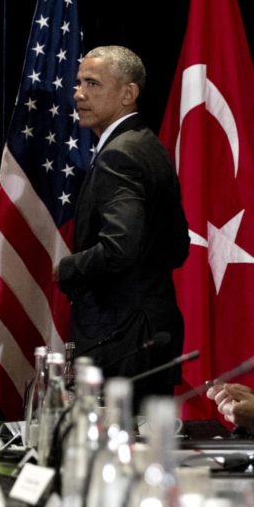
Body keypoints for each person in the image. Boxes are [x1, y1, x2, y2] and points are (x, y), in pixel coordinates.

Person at [57, 45, 189, 400]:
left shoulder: (120, 154)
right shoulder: (149, 146)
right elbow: (178, 248)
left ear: (128, 94)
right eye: (78, 83)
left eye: (93, 84)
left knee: (111, 448)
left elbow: (120, 246)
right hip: (147, 332)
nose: (79, 94)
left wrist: (69, 268)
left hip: (121, 340)